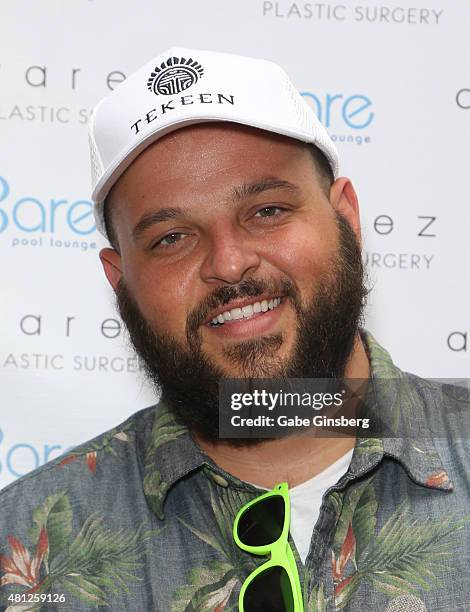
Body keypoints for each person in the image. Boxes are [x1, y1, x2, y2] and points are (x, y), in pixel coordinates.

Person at [1, 47, 469, 612]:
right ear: (119, 279)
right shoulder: (23, 547)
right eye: (171, 237)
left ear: (345, 217)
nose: (228, 262)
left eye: (267, 210)